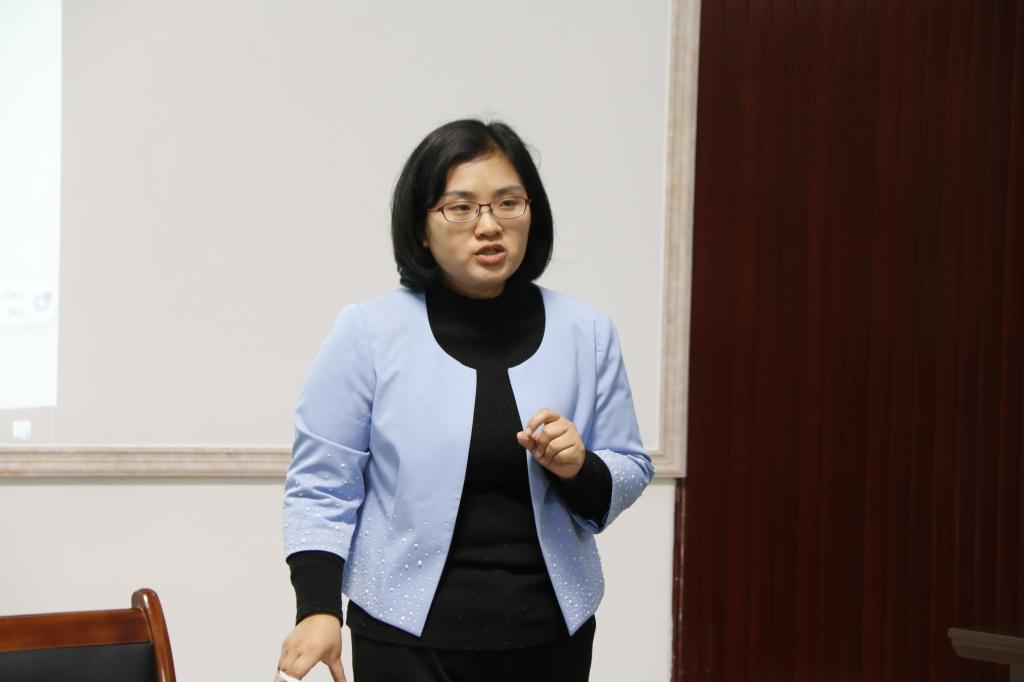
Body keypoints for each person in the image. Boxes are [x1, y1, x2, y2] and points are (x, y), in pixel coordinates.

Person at [274, 119, 654, 682]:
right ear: (422, 227)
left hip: (552, 636)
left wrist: (581, 468)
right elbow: (321, 484)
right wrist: (317, 608)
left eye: (508, 203)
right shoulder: (369, 333)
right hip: (406, 639)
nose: (489, 225)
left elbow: (630, 464)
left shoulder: (587, 331)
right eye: (461, 207)